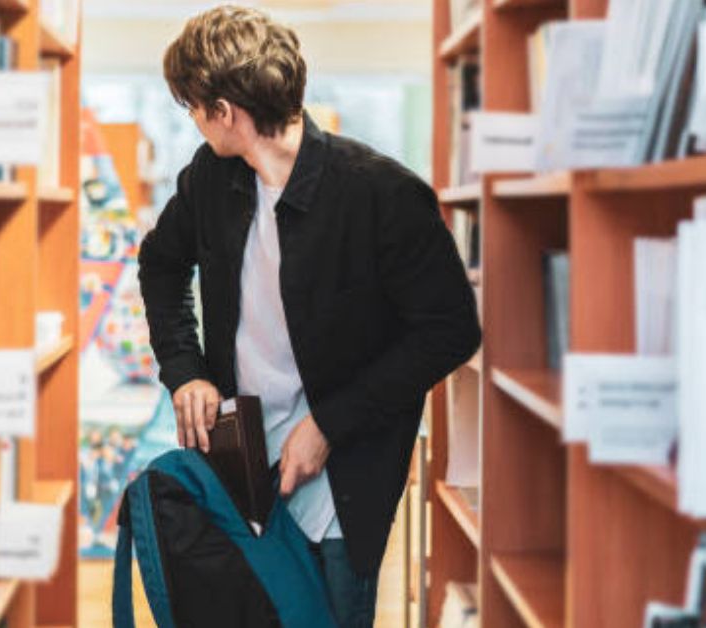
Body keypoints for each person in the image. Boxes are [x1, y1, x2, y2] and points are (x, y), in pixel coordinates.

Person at [139, 5, 481, 626]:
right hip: (240, 463)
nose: (191, 121)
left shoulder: (384, 194)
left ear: (225, 112)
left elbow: (450, 329)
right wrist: (185, 370)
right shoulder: (210, 179)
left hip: (346, 476)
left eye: (191, 105)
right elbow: (160, 266)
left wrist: (329, 422)